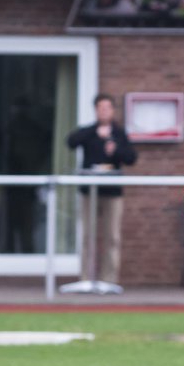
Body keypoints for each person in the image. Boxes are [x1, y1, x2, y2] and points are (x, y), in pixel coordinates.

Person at [66, 94, 137, 284]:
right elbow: (71, 142)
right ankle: (86, 278)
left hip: (112, 193)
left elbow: (131, 158)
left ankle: (109, 280)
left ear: (113, 110)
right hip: (89, 192)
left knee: (112, 237)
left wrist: (116, 151)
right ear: (96, 110)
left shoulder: (119, 133)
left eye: (107, 108)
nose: (104, 111)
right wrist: (96, 132)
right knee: (87, 236)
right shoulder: (89, 131)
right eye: (100, 108)